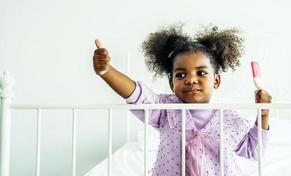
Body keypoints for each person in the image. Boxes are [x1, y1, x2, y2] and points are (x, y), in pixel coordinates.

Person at [93, 25, 272, 176]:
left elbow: (253, 150)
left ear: (216, 80)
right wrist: (106, 71)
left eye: (201, 73)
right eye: (181, 74)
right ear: (172, 84)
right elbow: (136, 94)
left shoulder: (229, 118)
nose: (191, 79)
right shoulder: (165, 110)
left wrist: (264, 113)